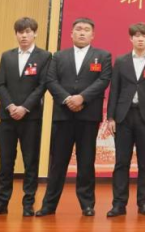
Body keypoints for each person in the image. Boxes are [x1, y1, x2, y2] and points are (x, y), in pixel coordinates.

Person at [37, 17, 113, 217]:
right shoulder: (58, 56)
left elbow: (103, 80)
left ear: (92, 35)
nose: (82, 32)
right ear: (71, 34)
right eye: (78, 29)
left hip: (88, 116)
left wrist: (82, 98)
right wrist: (67, 99)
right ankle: (49, 205)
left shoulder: (103, 56)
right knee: (58, 162)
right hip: (63, 115)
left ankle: (87, 204)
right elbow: (51, 80)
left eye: (86, 30)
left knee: (86, 162)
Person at [0, 17, 51, 218]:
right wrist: (11, 106)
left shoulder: (45, 56)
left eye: (28, 32)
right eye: (20, 32)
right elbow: (0, 84)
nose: (24, 36)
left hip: (31, 118)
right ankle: (1, 202)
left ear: (35, 33)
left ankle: (28, 203)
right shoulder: (7, 56)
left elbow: (42, 86)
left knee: (30, 162)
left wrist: (25, 107)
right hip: (7, 117)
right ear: (16, 34)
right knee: (5, 162)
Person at [106, 22, 145, 217]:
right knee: (121, 162)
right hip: (123, 116)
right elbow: (114, 90)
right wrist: (111, 117)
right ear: (131, 38)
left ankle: (144, 203)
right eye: (137, 36)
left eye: (144, 36)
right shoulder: (121, 61)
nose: (140, 39)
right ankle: (119, 204)